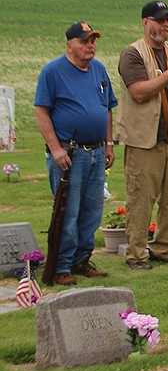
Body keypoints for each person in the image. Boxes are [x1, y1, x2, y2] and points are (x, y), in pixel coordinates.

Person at [115, 1, 168, 269]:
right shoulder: (133, 54)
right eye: (160, 20)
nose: (165, 25)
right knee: (141, 199)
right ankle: (136, 254)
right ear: (145, 23)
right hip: (144, 140)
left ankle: (164, 248)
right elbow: (139, 92)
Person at [34, 22, 118, 284]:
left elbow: (106, 108)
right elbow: (41, 112)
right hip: (70, 154)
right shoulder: (53, 72)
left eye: (93, 40)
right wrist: (56, 149)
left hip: (95, 151)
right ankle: (60, 266)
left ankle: (81, 260)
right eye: (84, 41)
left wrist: (108, 143)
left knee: (92, 211)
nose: (90, 46)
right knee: (68, 212)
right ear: (69, 44)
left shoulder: (99, 70)